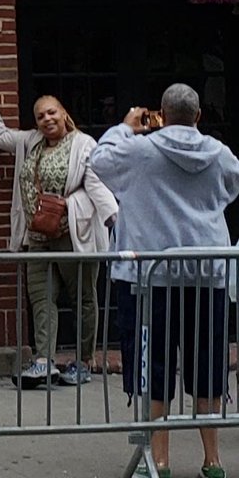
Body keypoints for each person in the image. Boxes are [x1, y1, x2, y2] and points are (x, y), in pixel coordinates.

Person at [91, 83, 239, 478]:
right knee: (208, 366)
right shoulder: (220, 154)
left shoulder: (139, 151)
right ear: (199, 116)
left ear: (160, 112)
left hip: (148, 275)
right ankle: (213, 460)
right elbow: (231, 188)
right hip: (206, 272)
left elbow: (100, 161)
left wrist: (126, 127)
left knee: (151, 366)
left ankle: (159, 460)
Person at [0, 70, 117, 389]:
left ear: (64, 113)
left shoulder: (84, 145)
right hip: (37, 238)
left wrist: (111, 216)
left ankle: (83, 360)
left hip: (72, 236)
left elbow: (95, 183)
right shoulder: (30, 142)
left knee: (82, 298)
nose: (46, 119)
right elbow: (0, 137)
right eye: (40, 116)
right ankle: (43, 361)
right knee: (41, 298)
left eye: (52, 112)